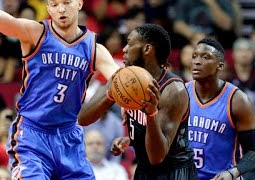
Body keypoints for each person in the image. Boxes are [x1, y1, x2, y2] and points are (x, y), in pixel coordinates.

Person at [0, 0, 119, 179]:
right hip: (32, 134)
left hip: (69, 138)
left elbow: (122, 81)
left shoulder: (94, 49)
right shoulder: (36, 33)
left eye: (66, 2)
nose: (61, 9)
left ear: (79, 3)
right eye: (54, 5)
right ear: (48, 9)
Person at [78, 24, 197, 179]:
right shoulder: (125, 78)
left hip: (173, 172)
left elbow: (157, 157)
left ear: (147, 49)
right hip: (144, 167)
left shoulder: (172, 91)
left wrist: (151, 113)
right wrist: (111, 94)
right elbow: (83, 119)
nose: (125, 49)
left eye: (130, 43)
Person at [186, 38, 255, 180]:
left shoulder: (238, 100)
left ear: (220, 66)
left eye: (206, 57)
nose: (197, 61)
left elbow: (254, 153)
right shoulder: (181, 94)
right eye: (194, 56)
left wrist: (232, 173)